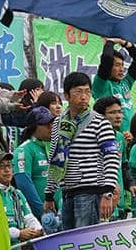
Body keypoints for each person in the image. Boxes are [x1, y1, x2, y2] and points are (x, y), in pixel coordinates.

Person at [44, 72, 120, 230]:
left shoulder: (100, 122)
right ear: (67, 95)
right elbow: (54, 158)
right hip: (67, 192)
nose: (84, 97)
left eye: (87, 92)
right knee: (69, 239)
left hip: (90, 192)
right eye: (78, 92)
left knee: (86, 238)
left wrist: (107, 193)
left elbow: (111, 158)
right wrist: (49, 194)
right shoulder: (58, 123)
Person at [94, 96, 136, 220]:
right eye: (112, 113)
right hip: (102, 201)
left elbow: (123, 165)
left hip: (119, 202)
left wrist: (130, 184)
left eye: (120, 112)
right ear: (100, 117)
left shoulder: (120, 137)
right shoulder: (93, 139)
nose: (118, 116)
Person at [0, 151, 43, 246]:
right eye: (1, 166)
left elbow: (29, 218)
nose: (7, 170)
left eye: (9, 165)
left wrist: (38, 230)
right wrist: (18, 234)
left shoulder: (16, 193)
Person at [12, 106, 60, 217]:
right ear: (34, 127)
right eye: (46, 124)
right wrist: (42, 213)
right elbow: (24, 185)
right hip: (40, 215)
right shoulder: (24, 150)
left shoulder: (54, 146)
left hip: (60, 212)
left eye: (52, 123)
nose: (51, 127)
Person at [91, 38, 136, 134]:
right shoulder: (101, 85)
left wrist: (125, 43)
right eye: (117, 65)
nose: (121, 69)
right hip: (109, 136)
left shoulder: (126, 83)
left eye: (122, 65)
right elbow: (107, 59)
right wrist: (110, 42)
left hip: (130, 137)